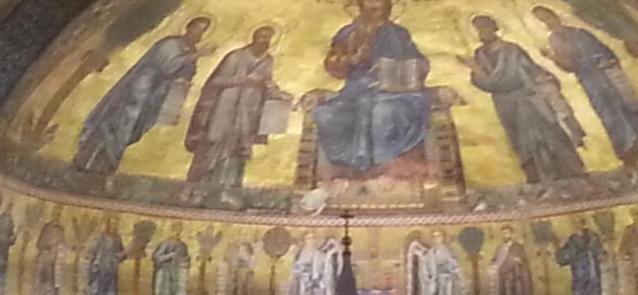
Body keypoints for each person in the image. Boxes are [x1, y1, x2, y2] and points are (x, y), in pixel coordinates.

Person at [73, 17, 215, 174]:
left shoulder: (191, 50)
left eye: (203, 30)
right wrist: (197, 55)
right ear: (188, 27)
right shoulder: (171, 43)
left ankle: (106, 164)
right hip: (140, 90)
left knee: (135, 128)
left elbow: (185, 74)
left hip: (156, 95)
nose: (199, 33)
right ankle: (90, 161)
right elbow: (167, 66)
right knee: (120, 124)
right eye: (198, 28)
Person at [459, 15, 586, 183]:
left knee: (544, 134)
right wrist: (475, 72)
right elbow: (484, 84)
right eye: (478, 29)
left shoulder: (511, 50)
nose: (482, 32)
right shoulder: (479, 54)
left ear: (494, 28)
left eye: (485, 27)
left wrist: (545, 78)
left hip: (526, 99)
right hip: (504, 104)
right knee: (519, 140)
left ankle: (567, 170)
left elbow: (526, 72)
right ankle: (536, 176)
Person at [313, 0, 431, 178]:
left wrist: (406, 69)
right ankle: (346, 167)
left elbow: (419, 64)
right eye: (369, 2)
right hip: (354, 93)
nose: (374, 7)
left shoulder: (399, 34)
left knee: (383, 112)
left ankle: (384, 164)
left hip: (396, 94)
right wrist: (353, 59)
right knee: (326, 114)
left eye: (379, 3)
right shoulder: (347, 33)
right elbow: (333, 67)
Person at [533, 5, 638, 166]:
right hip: (592, 82)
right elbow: (569, 66)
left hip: (608, 76)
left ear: (556, 16)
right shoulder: (555, 41)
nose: (549, 22)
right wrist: (552, 57)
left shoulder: (581, 33)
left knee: (627, 108)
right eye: (543, 20)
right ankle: (629, 152)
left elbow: (606, 52)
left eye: (549, 17)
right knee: (609, 115)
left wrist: (607, 62)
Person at [185, 26, 292, 187]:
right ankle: (198, 183)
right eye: (262, 37)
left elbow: (267, 83)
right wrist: (244, 80)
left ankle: (230, 186)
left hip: (247, 112)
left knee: (237, 150)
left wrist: (279, 93)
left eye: (268, 38)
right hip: (225, 107)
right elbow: (216, 81)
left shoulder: (267, 60)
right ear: (254, 38)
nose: (265, 41)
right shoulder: (235, 57)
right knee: (214, 143)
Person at [407, 231, 462, 295]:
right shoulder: (431, 253)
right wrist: (429, 277)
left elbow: (455, 265)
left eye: (439, 236)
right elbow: (426, 268)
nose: (437, 239)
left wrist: (449, 268)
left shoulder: (449, 251)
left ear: (442, 238)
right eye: (434, 237)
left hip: (448, 281)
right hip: (435, 283)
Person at [556, 216, 605, 295]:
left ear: (583, 224)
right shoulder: (572, 240)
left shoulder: (592, 237)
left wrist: (600, 254)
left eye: (579, 223)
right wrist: (558, 247)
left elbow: (599, 252)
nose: (576, 226)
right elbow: (564, 258)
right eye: (574, 224)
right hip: (579, 274)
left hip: (592, 272)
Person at [491, 225, 534, 295]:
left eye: (507, 233)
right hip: (505, 280)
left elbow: (524, 262)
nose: (505, 235)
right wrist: (495, 265)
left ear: (512, 234)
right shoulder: (500, 248)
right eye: (503, 233)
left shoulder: (518, 247)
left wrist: (518, 262)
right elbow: (494, 262)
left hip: (518, 280)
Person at [151, 222, 190, 295]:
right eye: (175, 230)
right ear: (171, 231)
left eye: (179, 231)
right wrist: (170, 255)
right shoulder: (165, 243)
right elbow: (156, 258)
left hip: (177, 276)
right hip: (165, 275)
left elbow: (186, 260)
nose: (177, 233)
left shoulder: (182, 245)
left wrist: (184, 262)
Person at [86, 217, 126, 295]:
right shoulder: (100, 237)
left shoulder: (117, 238)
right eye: (112, 224)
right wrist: (93, 265)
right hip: (99, 270)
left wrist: (120, 256)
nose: (114, 226)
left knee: (110, 294)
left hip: (111, 270)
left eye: (116, 224)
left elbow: (122, 253)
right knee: (97, 293)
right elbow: (92, 252)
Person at [32, 205, 65, 295]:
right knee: (39, 281)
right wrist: (46, 246)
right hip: (43, 258)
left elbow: (62, 247)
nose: (57, 216)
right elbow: (39, 242)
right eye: (55, 213)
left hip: (53, 261)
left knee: (50, 284)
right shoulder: (46, 228)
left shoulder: (60, 231)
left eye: (59, 214)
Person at [0, 198, 15, 295]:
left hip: (4, 253)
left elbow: (11, 239)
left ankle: (1, 289)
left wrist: (13, 238)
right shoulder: (3, 219)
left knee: (2, 270)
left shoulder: (10, 221)